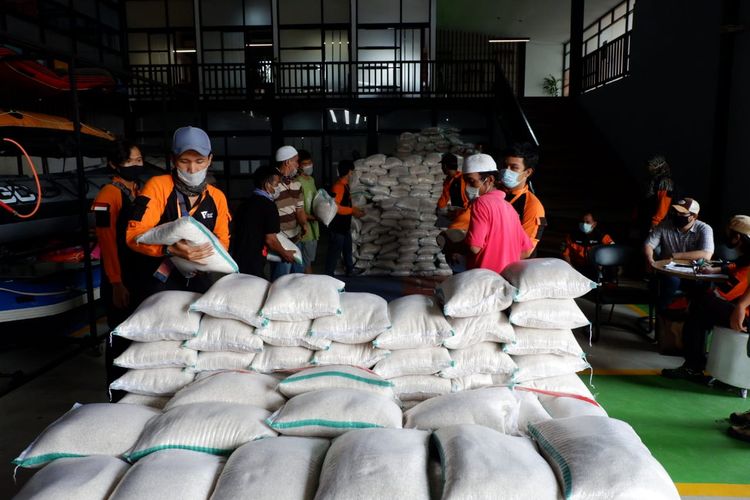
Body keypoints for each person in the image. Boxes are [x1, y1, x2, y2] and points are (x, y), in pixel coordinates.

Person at [126, 126, 231, 295]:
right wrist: (169, 250)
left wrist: (207, 261)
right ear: (173, 159)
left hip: (200, 277)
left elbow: (222, 241)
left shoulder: (217, 197)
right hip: (161, 278)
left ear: (210, 159)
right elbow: (133, 236)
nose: (192, 169)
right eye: (184, 161)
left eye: (200, 161)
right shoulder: (158, 187)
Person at [91, 140, 153, 391]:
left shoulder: (137, 190)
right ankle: (116, 390)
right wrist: (116, 282)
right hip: (120, 277)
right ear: (114, 164)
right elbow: (106, 243)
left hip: (138, 274)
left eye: (139, 160)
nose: (136, 165)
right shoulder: (108, 196)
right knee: (120, 335)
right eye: (129, 162)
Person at [661, 215, 750, 382]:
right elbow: (735, 266)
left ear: (737, 237)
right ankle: (695, 363)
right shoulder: (746, 259)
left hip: (744, 317)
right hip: (742, 311)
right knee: (699, 311)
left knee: (699, 306)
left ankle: (693, 366)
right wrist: (717, 270)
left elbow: (725, 293)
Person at [455, 153, 533, 273]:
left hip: (482, 279)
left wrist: (452, 245)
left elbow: (474, 247)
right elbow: (526, 250)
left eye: (471, 181)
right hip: (504, 278)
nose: (467, 187)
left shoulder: (481, 203)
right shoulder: (509, 207)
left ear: (490, 180)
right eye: (466, 182)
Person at [644, 198, 714, 311]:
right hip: (668, 272)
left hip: (693, 273)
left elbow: (706, 254)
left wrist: (675, 255)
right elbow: (648, 244)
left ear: (694, 216)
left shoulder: (704, 229)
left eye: (681, 213)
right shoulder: (664, 225)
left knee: (706, 285)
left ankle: (690, 318)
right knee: (671, 281)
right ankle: (663, 315)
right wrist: (650, 259)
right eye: (675, 212)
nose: (677, 215)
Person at [231, 166, 296, 278]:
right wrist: (285, 254)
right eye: (276, 184)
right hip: (254, 259)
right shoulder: (268, 206)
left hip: (237, 255)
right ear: (267, 185)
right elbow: (271, 240)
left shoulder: (244, 204)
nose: (278, 187)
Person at [500, 142, 546, 252]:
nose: (507, 171)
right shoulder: (493, 192)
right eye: (505, 166)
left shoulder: (532, 206)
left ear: (528, 172)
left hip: (512, 266)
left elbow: (525, 251)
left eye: (514, 168)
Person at [271, 145, 307, 280]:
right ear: (287, 162)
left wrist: (303, 224)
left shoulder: (296, 184)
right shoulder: (272, 184)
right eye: (296, 161)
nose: (298, 165)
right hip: (280, 241)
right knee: (281, 280)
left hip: (296, 238)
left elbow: (300, 209)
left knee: (298, 278)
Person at [325, 160, 364, 276]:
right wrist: (352, 210)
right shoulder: (339, 187)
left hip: (344, 226)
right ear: (348, 172)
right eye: (352, 172)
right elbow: (336, 207)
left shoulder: (345, 185)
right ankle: (328, 275)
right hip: (337, 227)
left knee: (347, 250)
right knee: (334, 252)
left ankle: (350, 270)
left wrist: (354, 209)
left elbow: (344, 205)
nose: (352, 175)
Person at [561, 210, 615, 279]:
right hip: (577, 267)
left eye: (587, 222)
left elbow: (613, 251)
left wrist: (603, 265)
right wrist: (571, 268)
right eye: (582, 222)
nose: (584, 224)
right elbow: (565, 254)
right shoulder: (572, 236)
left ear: (594, 224)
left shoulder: (602, 236)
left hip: (596, 268)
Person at [296, 149, 320, 274]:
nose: (309, 166)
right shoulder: (297, 182)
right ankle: (308, 288)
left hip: (314, 227)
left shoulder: (311, 180)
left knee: (309, 261)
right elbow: (297, 209)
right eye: (305, 164)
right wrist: (314, 217)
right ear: (298, 165)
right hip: (305, 228)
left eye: (310, 162)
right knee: (305, 264)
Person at [436, 153, 468, 228]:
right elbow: (445, 197)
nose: (441, 168)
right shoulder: (448, 180)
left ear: (445, 166)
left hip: (465, 215)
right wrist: (440, 210)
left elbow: (467, 201)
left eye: (442, 166)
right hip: (456, 213)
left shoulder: (463, 179)